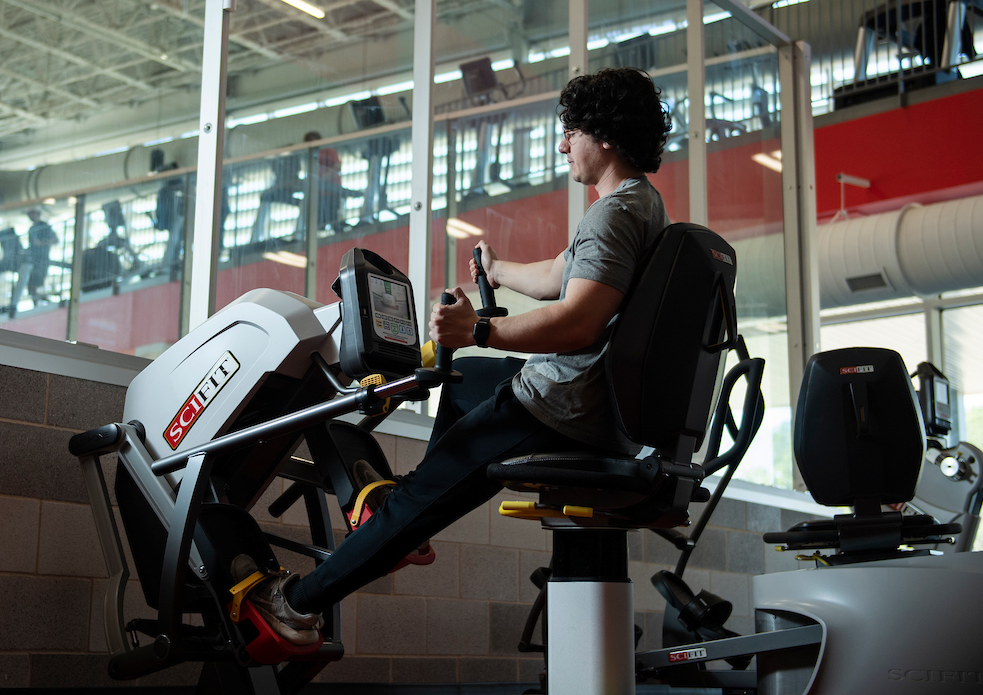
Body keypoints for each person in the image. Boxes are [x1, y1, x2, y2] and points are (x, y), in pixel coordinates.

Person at [235, 68, 673, 644]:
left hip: (561, 406)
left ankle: (294, 606)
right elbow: (555, 276)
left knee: (419, 494)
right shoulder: (641, 204)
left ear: (604, 135)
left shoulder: (610, 215)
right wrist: (496, 273)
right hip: (599, 405)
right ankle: (408, 519)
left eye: (570, 132)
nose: (563, 144)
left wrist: (479, 331)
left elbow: (579, 321)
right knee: (463, 377)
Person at [25, 207, 59, 302]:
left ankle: (43, 300)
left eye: (33, 213)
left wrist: (42, 243)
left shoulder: (44, 226)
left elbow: (55, 240)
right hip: (34, 259)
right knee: (31, 286)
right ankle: (38, 301)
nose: (31, 216)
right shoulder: (32, 229)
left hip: (42, 259)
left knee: (36, 283)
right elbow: (33, 243)